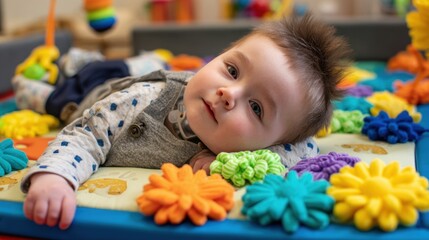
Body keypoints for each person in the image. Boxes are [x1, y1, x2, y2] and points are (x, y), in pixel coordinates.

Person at [20, 14, 350, 230]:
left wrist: (227, 160)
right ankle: (74, 67)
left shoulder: (265, 145)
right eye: (232, 70)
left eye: (257, 108)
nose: (227, 93)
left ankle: (125, 61)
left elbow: (304, 147)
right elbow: (86, 134)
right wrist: (55, 176)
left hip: (133, 77)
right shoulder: (145, 99)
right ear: (220, 55)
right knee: (57, 98)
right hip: (95, 94)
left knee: (120, 67)